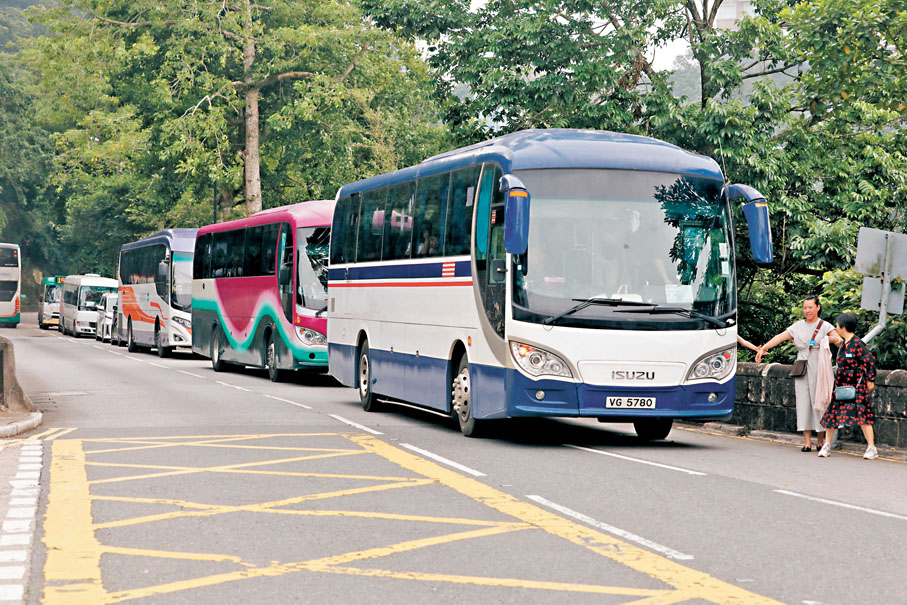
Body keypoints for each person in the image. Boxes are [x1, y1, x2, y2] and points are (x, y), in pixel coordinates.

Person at [756, 296, 842, 451]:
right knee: (803, 403)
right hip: (803, 367)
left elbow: (838, 339)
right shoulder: (798, 326)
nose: (807, 311)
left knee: (821, 402)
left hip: (820, 367)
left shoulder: (824, 325)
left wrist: (824, 340)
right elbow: (780, 337)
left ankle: (821, 440)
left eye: (810, 307)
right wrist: (763, 348)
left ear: (818, 307)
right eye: (805, 308)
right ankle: (807, 441)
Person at [818, 312, 878, 459]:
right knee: (832, 414)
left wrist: (870, 379)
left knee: (863, 415)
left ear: (843, 327)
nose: (836, 328)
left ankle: (871, 447)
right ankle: (827, 445)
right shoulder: (843, 345)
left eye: (837, 325)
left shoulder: (858, 344)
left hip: (857, 386)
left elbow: (869, 361)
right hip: (841, 386)